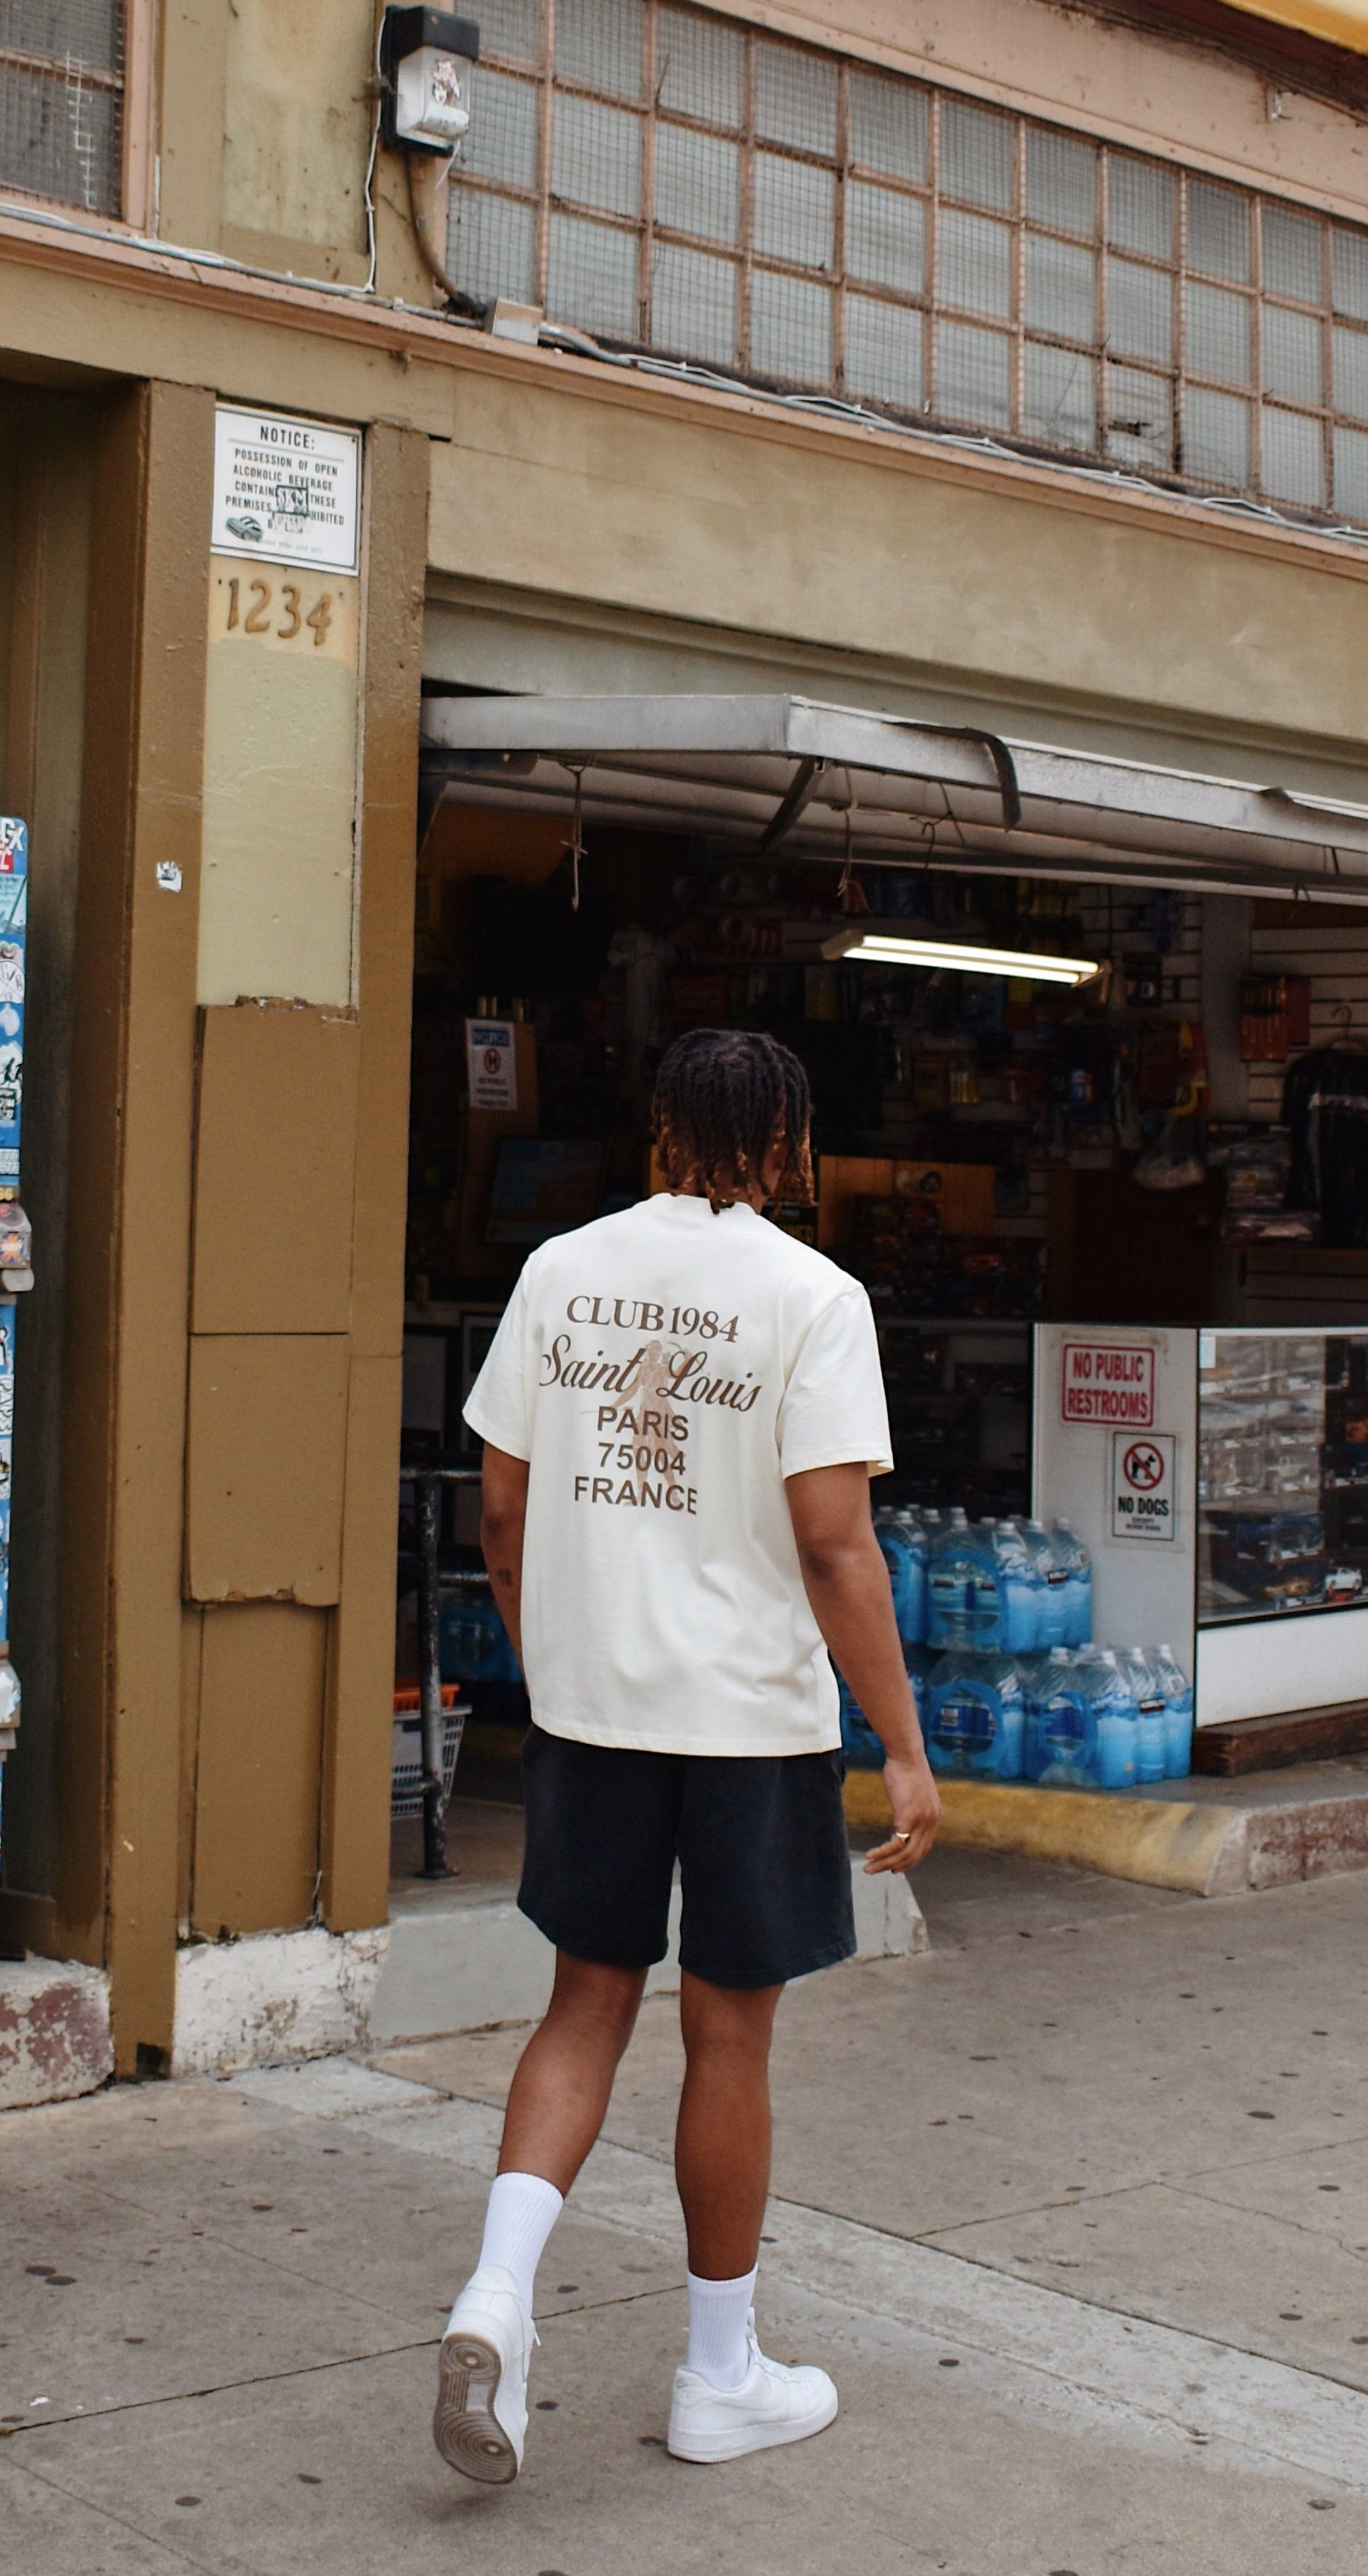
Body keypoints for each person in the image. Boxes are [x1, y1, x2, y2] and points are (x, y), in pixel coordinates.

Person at [433, 1026, 939, 2482]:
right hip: (748, 1727)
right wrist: (901, 1747)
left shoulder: (558, 1272)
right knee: (728, 2036)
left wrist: (553, 1664)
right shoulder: (813, 1297)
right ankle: (720, 2375)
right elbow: (836, 1545)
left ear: (658, 1135)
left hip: (595, 1714)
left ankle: (497, 2292)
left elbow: (508, 1518)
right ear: (789, 1149)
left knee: (581, 2006)